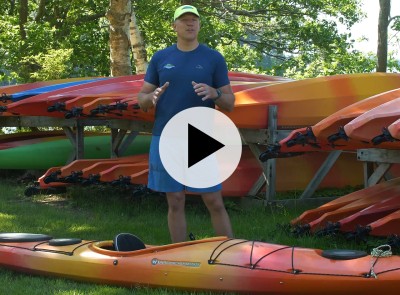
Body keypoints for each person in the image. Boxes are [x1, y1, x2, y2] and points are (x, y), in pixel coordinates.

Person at [138, 5, 235, 243]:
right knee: (175, 200)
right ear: (175, 26)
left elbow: (230, 102)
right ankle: (179, 253)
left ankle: (231, 251)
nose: (190, 24)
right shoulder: (161, 57)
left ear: (199, 25)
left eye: (194, 20)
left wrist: (215, 93)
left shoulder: (213, 58)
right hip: (166, 137)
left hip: (200, 138)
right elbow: (142, 99)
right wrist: (150, 98)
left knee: (213, 200)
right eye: (184, 20)